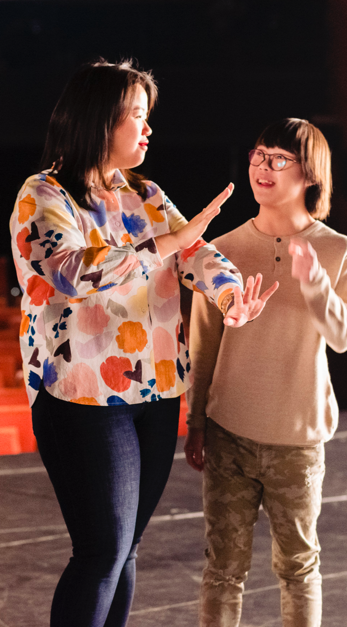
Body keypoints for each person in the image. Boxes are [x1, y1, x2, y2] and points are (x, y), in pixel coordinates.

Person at [10, 59, 277, 627]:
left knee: (126, 550)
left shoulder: (145, 194)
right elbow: (68, 271)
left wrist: (229, 296)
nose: (148, 128)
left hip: (154, 391)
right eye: (137, 116)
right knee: (102, 551)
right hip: (80, 397)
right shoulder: (44, 195)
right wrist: (169, 244)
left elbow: (194, 252)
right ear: (102, 121)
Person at [185, 117, 347, 627]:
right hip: (228, 432)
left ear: (310, 175)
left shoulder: (337, 249)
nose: (263, 166)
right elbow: (203, 342)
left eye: (279, 158)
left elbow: (342, 338)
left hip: (297, 442)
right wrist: (196, 420)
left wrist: (316, 283)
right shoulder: (224, 250)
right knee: (222, 571)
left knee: (299, 568)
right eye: (258, 154)